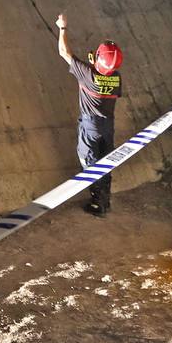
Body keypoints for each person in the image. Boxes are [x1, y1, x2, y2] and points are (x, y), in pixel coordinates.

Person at [56, 13, 124, 217]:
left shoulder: (88, 74)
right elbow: (104, 77)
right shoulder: (116, 78)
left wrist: (62, 28)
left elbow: (63, 52)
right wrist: (94, 65)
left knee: (90, 161)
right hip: (108, 124)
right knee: (106, 160)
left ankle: (97, 204)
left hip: (91, 125)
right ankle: (106, 199)